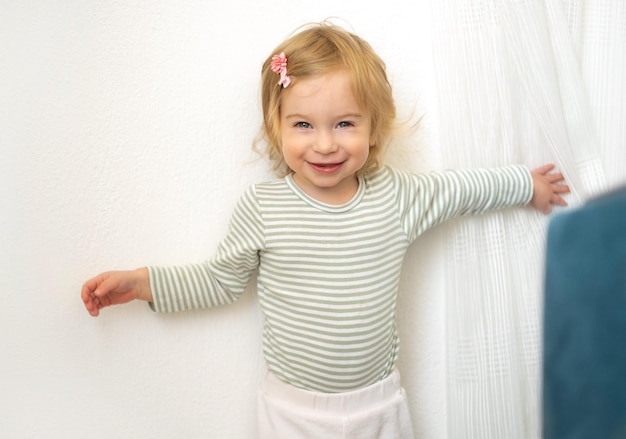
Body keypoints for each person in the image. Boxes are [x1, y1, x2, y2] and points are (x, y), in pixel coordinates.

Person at [81, 22, 570, 438]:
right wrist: (142, 282)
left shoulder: (396, 197)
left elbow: (461, 189)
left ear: (374, 127)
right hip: (291, 412)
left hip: (378, 407)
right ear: (276, 126)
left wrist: (524, 183)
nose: (325, 144)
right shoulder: (264, 206)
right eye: (303, 125)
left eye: (344, 124)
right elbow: (218, 280)